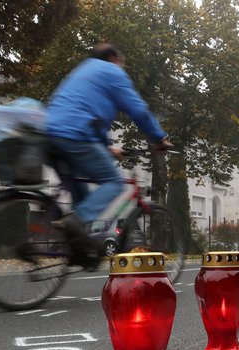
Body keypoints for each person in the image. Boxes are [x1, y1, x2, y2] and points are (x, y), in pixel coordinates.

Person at [45, 42, 173, 265]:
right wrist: (158, 138)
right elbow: (138, 109)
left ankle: (80, 252)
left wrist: (107, 146)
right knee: (113, 183)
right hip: (75, 135)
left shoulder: (82, 70)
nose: (122, 69)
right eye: (122, 64)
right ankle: (75, 225)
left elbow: (84, 111)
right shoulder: (112, 71)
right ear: (114, 59)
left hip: (49, 135)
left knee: (83, 197)